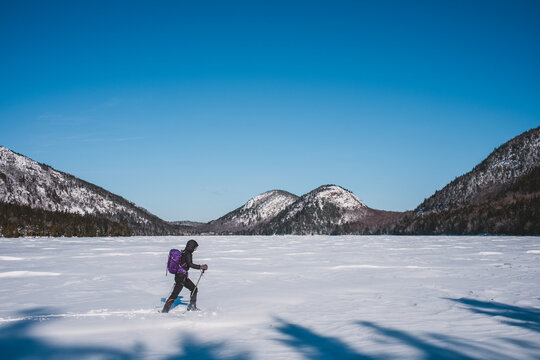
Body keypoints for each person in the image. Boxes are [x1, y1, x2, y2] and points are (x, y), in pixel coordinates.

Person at [162, 239, 208, 313]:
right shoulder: (188, 254)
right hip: (181, 277)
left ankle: (192, 307)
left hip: (181, 276)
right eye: (195, 247)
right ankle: (164, 311)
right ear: (192, 247)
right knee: (174, 295)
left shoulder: (183, 252)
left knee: (194, 289)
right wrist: (201, 267)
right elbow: (190, 264)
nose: (196, 249)